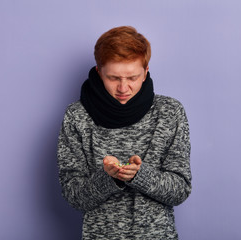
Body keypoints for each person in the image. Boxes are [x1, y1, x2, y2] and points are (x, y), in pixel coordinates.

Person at [57, 26, 192, 240]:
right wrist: (109, 179)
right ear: (99, 72)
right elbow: (74, 197)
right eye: (114, 78)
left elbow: (180, 190)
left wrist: (139, 175)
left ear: (146, 71)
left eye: (132, 77)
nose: (123, 88)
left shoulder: (170, 112)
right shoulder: (77, 116)